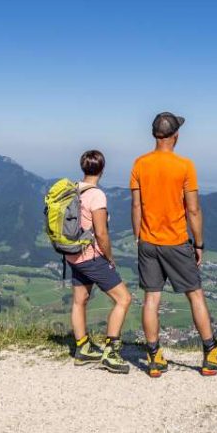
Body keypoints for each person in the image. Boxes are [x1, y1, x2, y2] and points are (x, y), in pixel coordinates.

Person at [131, 112, 217, 377]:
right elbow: (194, 210)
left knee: (151, 299)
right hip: (176, 241)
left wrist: (137, 237)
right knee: (195, 295)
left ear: (155, 135)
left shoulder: (139, 164)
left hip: (147, 241)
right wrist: (199, 244)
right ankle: (210, 354)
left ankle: (154, 357)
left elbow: (135, 206)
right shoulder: (185, 166)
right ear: (176, 136)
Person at [67, 150, 132, 374]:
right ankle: (110, 352)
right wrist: (110, 258)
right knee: (124, 299)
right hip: (91, 256)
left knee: (80, 300)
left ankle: (82, 348)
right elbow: (101, 233)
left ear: (83, 168)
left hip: (73, 255)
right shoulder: (97, 195)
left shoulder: (72, 189)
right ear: (102, 170)